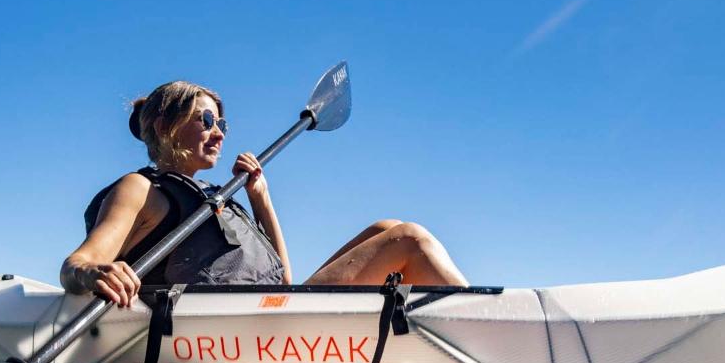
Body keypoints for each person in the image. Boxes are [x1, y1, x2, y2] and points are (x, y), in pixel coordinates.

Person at [61, 80, 468, 306]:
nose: (219, 132)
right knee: (408, 239)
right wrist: (96, 272)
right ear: (166, 126)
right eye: (207, 120)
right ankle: (486, 324)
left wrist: (261, 198)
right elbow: (77, 264)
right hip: (229, 326)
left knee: (387, 227)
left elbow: (283, 280)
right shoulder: (141, 188)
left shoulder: (218, 198)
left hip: (269, 310)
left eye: (223, 124)